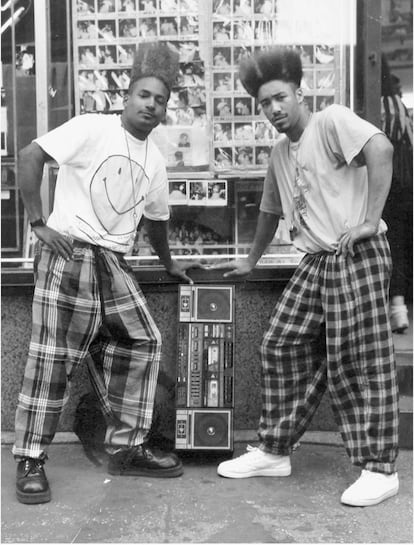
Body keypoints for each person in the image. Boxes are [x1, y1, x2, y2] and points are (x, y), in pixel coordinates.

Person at [14, 42, 202, 505]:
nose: (151, 105)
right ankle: (31, 457)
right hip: (70, 251)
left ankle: (127, 445)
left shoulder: (154, 161)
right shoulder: (91, 127)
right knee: (53, 356)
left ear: (164, 110)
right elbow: (29, 155)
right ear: (127, 97)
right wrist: (39, 224)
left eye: (160, 100)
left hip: (114, 263)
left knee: (144, 339)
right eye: (144, 95)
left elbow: (156, 223)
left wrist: (169, 264)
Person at [212, 47, 399, 507]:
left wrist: (371, 220)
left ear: (299, 92)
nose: (273, 109)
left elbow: (382, 147)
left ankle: (379, 468)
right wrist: (250, 261)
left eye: (280, 97)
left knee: (358, 357)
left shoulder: (330, 120)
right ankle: (275, 450)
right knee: (280, 344)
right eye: (264, 103)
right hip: (316, 260)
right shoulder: (280, 151)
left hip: (354, 250)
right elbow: (269, 210)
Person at [381, 55, 413, 333]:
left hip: (384, 186)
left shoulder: (373, 106)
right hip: (405, 186)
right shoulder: (401, 108)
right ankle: (400, 309)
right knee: (401, 245)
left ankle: (387, 311)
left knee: (386, 247)